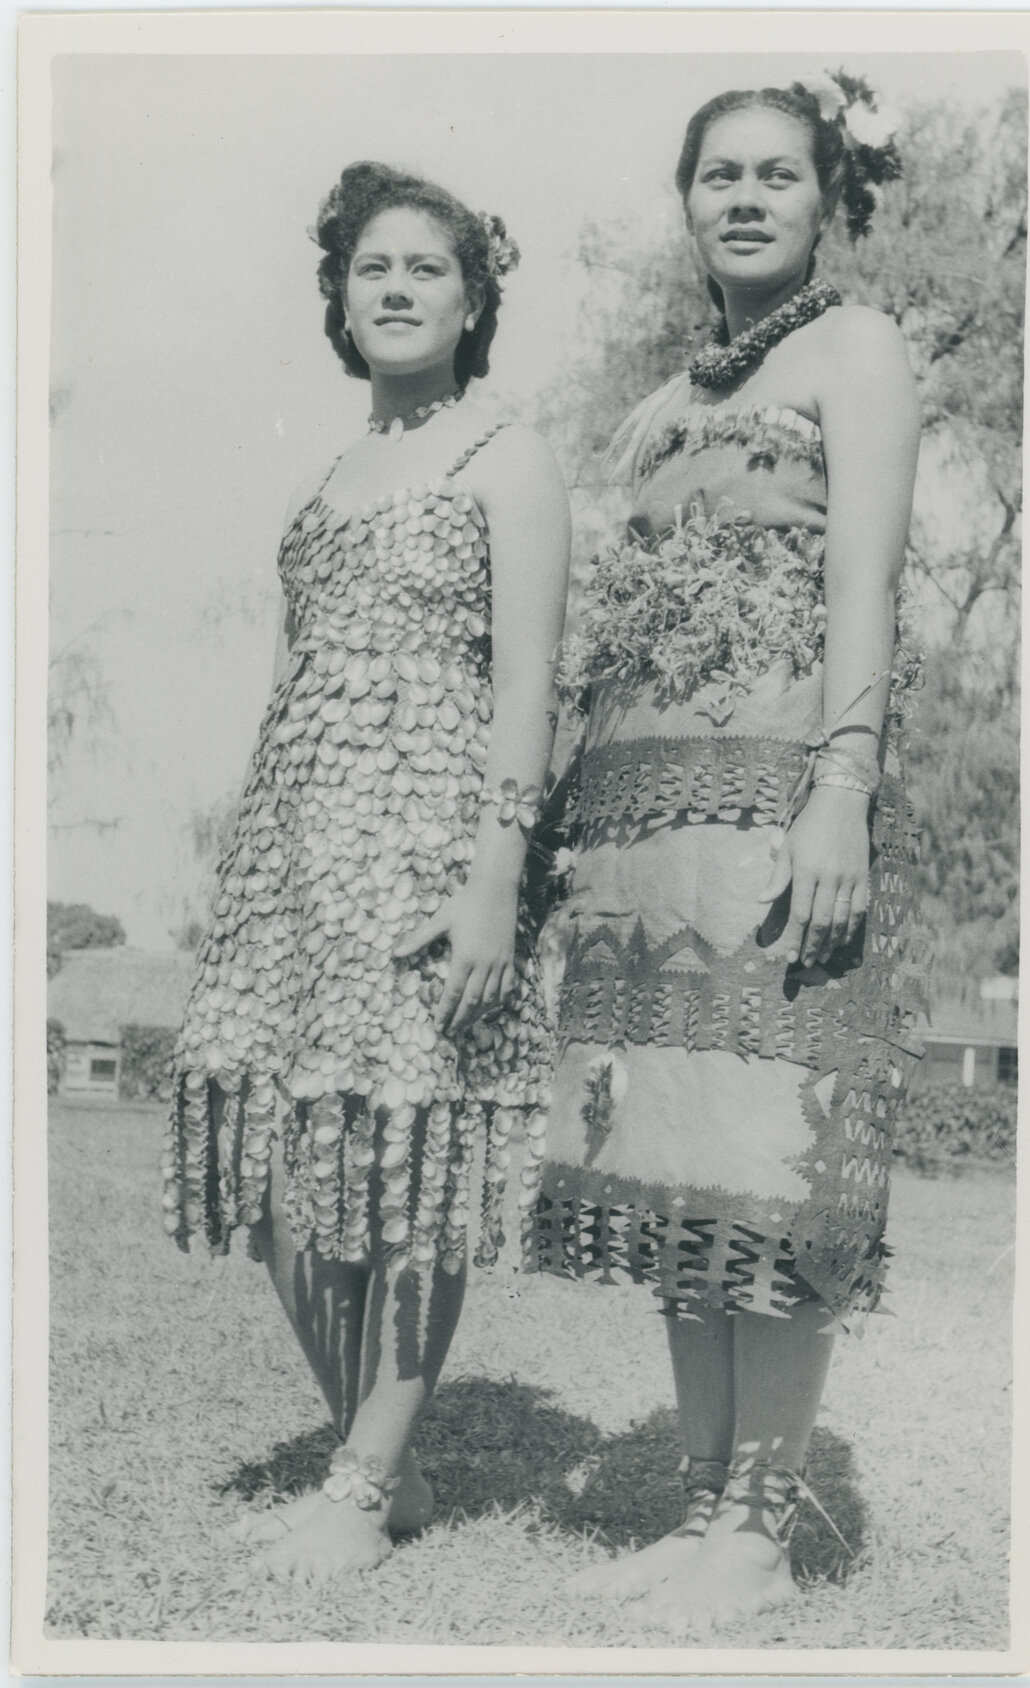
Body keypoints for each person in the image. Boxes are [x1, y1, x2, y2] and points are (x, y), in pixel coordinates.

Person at [527, 77, 925, 1629]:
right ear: (687, 200)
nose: (744, 199)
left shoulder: (859, 348)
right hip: (646, 833)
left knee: (767, 1164)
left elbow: (862, 586)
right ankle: (700, 1509)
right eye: (718, 177)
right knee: (677, 1165)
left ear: (829, 197)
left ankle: (758, 1533)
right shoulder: (671, 395)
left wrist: (842, 788)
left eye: (777, 174)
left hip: (776, 809)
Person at [162, 162, 570, 1584]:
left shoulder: (507, 457)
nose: (395, 289)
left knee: (411, 1164)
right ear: (339, 297)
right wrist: (250, 867)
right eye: (371, 268)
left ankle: (362, 1484)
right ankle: (380, 1462)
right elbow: (289, 687)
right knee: (282, 1174)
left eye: (426, 268)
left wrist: (495, 878)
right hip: (292, 869)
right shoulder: (322, 479)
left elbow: (528, 682)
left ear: (474, 300)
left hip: (431, 856)